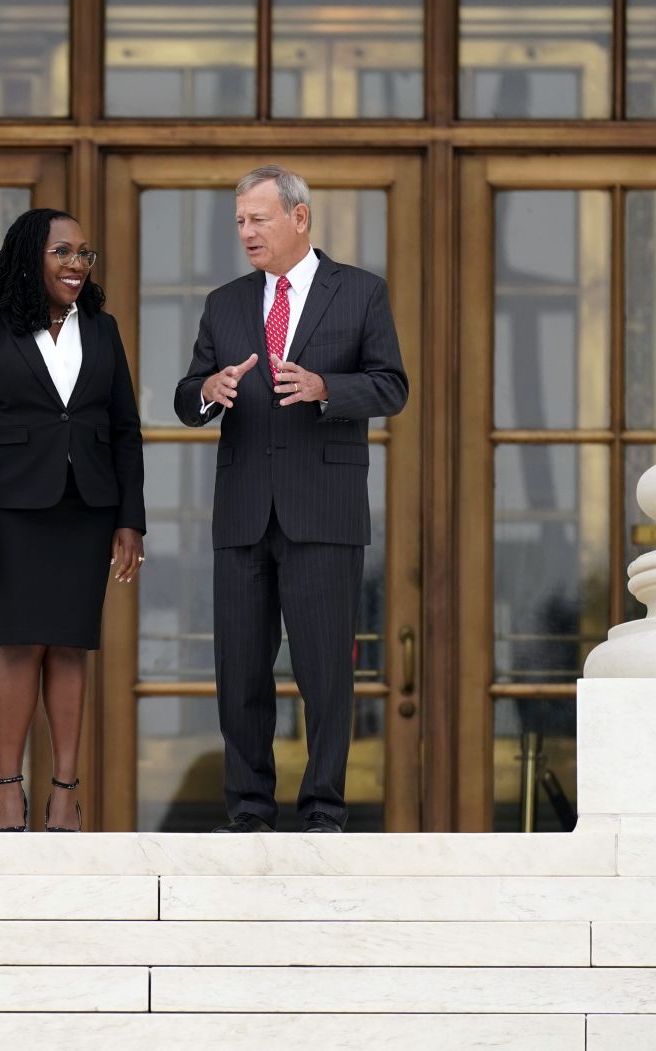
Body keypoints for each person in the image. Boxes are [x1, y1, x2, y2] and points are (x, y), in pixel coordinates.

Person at [174, 165, 408, 833]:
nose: (246, 231)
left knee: (325, 673)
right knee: (241, 671)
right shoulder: (225, 303)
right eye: (240, 221)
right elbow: (186, 393)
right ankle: (248, 809)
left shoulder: (360, 293)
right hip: (244, 510)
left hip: (324, 510)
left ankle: (323, 810)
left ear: (299, 218)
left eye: (259, 218)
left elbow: (392, 386)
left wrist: (324, 388)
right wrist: (207, 389)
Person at [0, 208, 145, 832]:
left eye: (84, 255)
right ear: (31, 255)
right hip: (10, 512)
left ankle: (64, 791)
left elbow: (125, 432)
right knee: (18, 643)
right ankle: (9, 791)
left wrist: (130, 519)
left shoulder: (103, 331)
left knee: (70, 645)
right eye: (63, 252)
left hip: (87, 508)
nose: (77, 265)